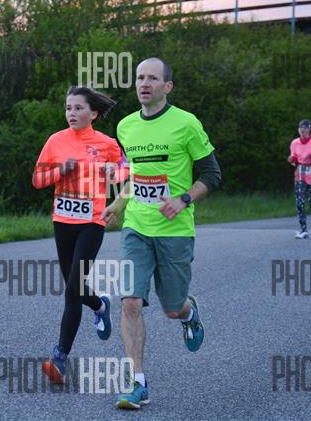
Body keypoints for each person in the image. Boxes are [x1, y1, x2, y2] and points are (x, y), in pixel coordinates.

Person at [101, 57, 221, 409]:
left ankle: (188, 312)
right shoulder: (126, 126)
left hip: (175, 230)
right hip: (136, 226)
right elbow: (136, 174)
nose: (144, 83)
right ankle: (138, 383)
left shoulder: (186, 123)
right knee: (130, 301)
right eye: (140, 77)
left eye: (152, 78)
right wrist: (119, 203)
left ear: (167, 86)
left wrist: (183, 200)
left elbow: (212, 175)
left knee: (171, 308)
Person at [32, 85, 127, 385]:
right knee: (74, 286)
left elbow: (126, 169)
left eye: (78, 108)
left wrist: (114, 173)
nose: (71, 113)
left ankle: (59, 358)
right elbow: (37, 179)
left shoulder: (106, 143)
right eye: (68, 108)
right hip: (62, 221)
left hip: (92, 223)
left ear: (93, 113)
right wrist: (60, 171)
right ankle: (100, 305)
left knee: (72, 289)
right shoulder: (55, 141)